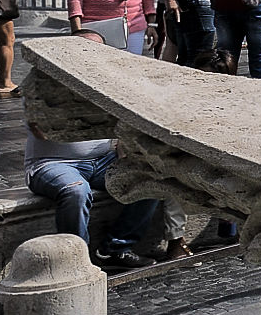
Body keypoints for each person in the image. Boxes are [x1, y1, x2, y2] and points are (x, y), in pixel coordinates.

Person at [26, 43, 165, 271]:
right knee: (75, 190)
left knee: (151, 177)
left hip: (103, 159)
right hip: (53, 164)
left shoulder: (107, 87)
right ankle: (76, 262)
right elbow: (41, 130)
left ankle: (116, 248)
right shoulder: (43, 88)